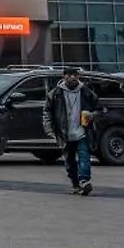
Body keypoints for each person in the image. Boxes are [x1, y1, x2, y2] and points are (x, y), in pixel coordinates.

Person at [44, 68, 100, 196]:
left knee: (84, 156)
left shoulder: (86, 92)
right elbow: (47, 113)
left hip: (82, 131)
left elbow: (99, 109)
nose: (72, 78)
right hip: (65, 132)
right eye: (69, 75)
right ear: (63, 77)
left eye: (75, 75)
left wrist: (93, 115)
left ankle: (84, 180)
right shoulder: (55, 94)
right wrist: (50, 129)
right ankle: (75, 184)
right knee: (69, 160)